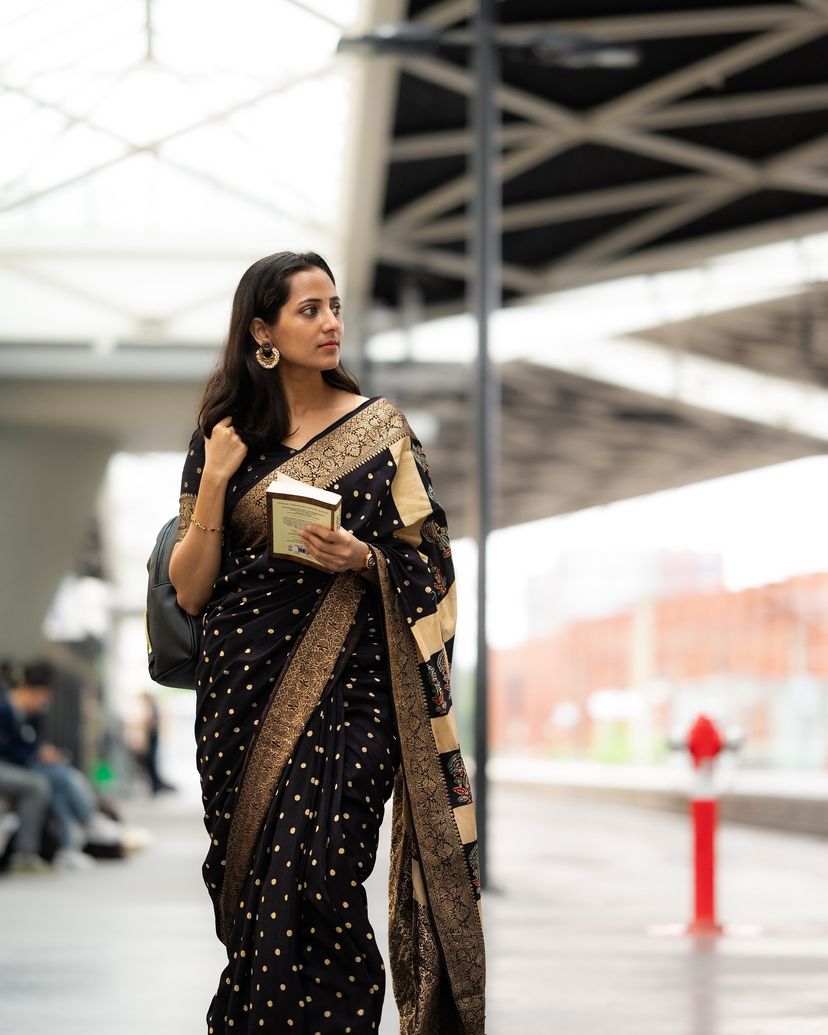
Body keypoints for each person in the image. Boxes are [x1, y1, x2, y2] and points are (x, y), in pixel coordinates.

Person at [169, 251, 485, 1034]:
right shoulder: (222, 437)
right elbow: (190, 586)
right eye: (309, 309)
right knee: (256, 906)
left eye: (335, 306)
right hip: (241, 696)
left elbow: (434, 559)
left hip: (355, 701)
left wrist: (366, 559)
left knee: (325, 883)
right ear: (262, 330)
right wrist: (215, 482)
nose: (331, 322)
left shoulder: (381, 430)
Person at [0, 661, 123, 872]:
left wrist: (41, 753)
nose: (45, 701)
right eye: (44, 695)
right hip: (11, 767)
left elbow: (30, 745)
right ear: (33, 690)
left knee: (57, 780)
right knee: (45, 782)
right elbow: (11, 750)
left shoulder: (31, 715)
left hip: (23, 766)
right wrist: (37, 755)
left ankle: (66, 849)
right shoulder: (5, 710)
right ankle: (88, 821)